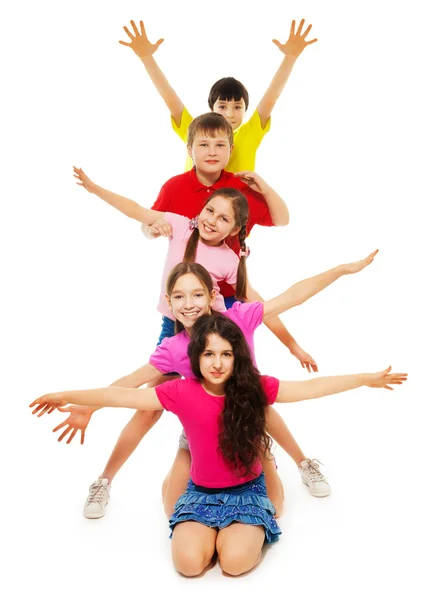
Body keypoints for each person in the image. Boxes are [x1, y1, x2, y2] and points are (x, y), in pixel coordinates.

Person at [30, 314, 407, 577]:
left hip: (246, 491)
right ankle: (186, 454)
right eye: (209, 353)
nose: (217, 362)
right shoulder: (179, 390)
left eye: (226, 354)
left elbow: (310, 389)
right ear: (196, 357)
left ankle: (265, 456)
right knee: (190, 565)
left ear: (236, 357)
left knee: (234, 564)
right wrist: (68, 394)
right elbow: (119, 396)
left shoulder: (254, 387)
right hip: (201, 492)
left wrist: (364, 379)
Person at [32, 251, 377, 518]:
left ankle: (302, 462)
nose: (189, 304)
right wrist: (88, 406)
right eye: (179, 297)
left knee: (273, 491)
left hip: (247, 417)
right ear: (169, 303)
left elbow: (293, 296)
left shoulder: (238, 318)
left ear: (212, 294)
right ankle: (105, 480)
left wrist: (340, 271)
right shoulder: (173, 349)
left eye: (197, 295)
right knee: (171, 509)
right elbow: (128, 384)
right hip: (205, 427)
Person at [119, 18, 318, 172]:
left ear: (245, 109)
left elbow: (271, 97)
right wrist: (147, 58)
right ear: (212, 109)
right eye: (222, 106)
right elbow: (169, 97)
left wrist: (290, 58)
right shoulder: (195, 129)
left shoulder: (250, 133)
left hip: (232, 218)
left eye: (237, 107)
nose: (230, 113)